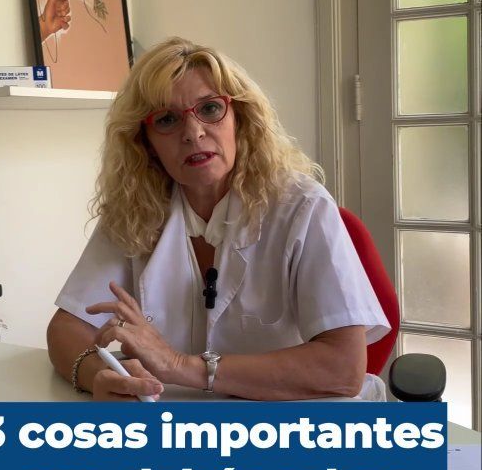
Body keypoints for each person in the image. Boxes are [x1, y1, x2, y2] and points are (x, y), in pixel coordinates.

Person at [47, 37, 389, 402]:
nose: (192, 133)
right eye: (166, 119)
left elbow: (343, 369)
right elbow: (66, 328)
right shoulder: (136, 209)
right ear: (145, 142)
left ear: (240, 119)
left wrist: (179, 365)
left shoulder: (303, 206)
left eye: (210, 109)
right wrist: (99, 376)